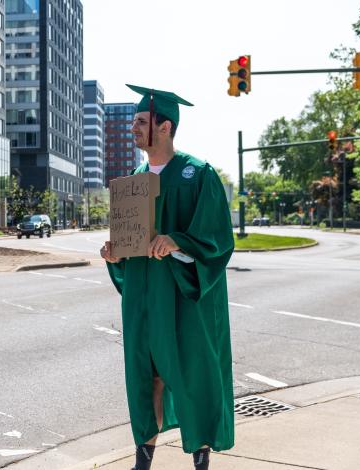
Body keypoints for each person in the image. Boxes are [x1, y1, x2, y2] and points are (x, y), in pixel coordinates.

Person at [100, 85, 235, 470]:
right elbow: (130, 245)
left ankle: (201, 459)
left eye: (141, 122)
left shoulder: (197, 175)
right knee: (147, 377)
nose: (133, 128)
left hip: (182, 296)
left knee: (192, 375)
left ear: (165, 127)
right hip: (144, 297)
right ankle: (142, 461)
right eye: (134, 122)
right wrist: (114, 254)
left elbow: (217, 239)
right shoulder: (133, 182)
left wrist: (175, 240)